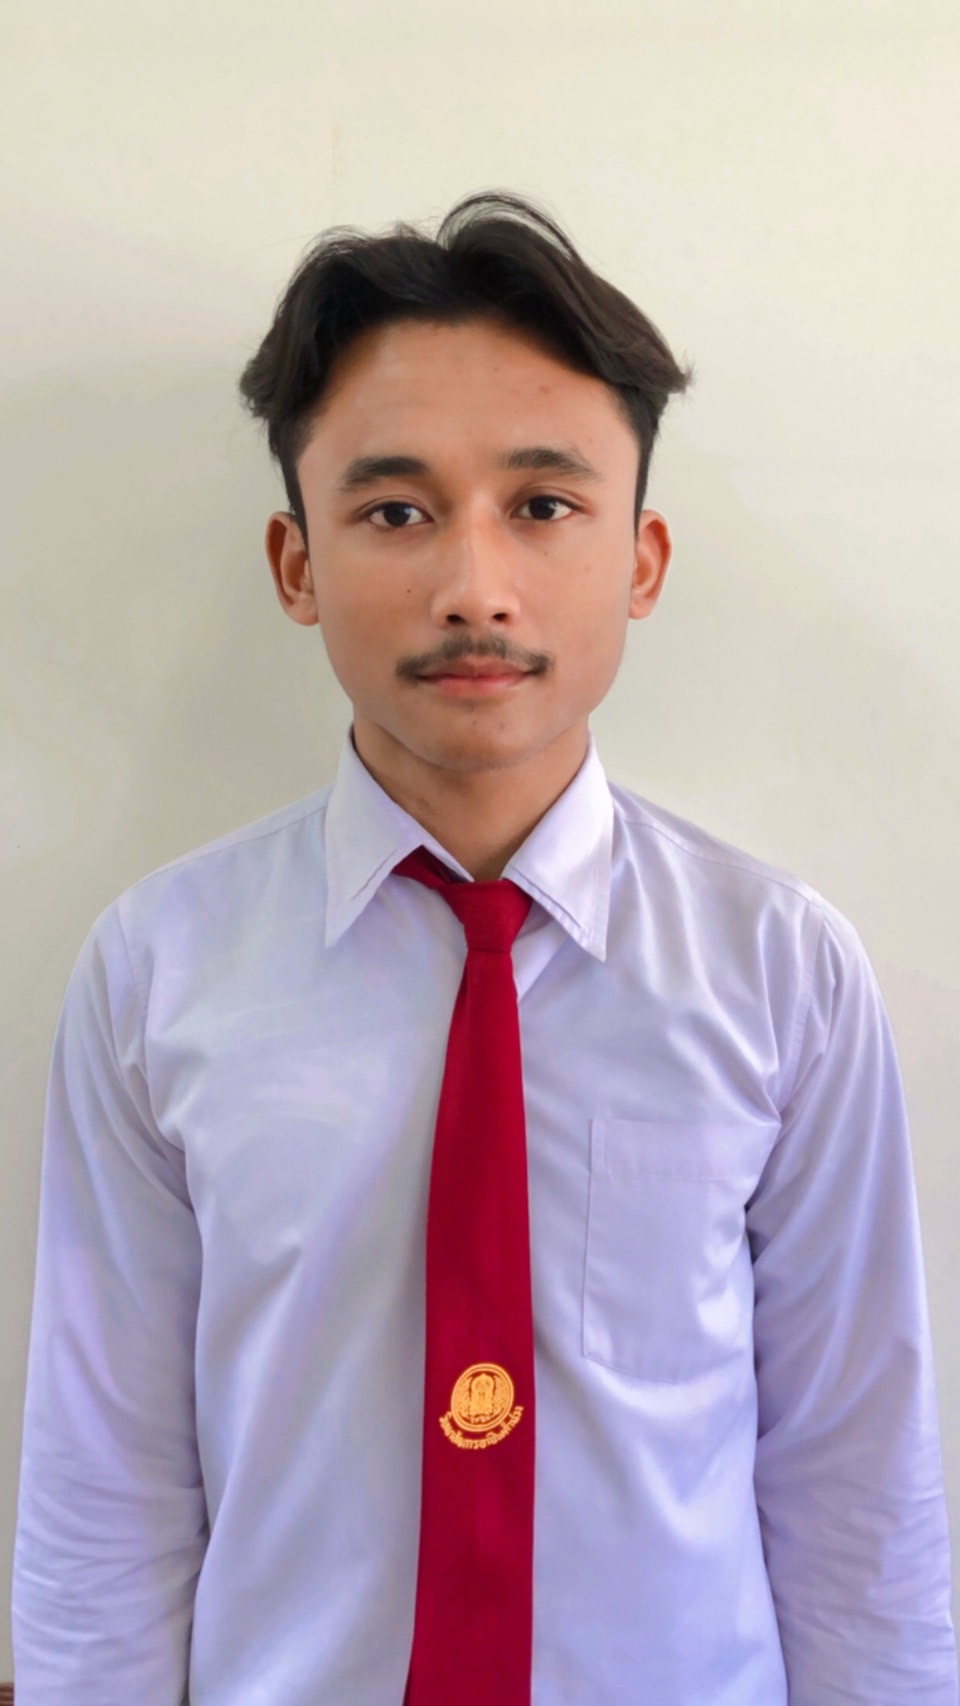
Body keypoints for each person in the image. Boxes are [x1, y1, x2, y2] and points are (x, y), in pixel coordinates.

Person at [11, 189, 958, 1704]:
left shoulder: (784, 975)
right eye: (396, 511)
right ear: (295, 562)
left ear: (642, 558)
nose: (474, 589)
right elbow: (105, 1482)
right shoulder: (158, 976)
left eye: (544, 504)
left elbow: (858, 1488)